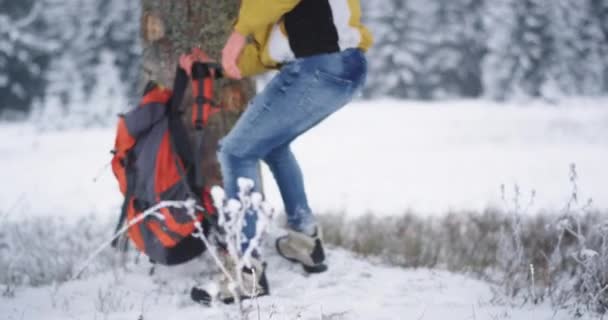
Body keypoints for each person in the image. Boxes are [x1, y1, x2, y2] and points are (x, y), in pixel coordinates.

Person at [189, 0, 372, 302]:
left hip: (318, 66)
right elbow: (268, 54)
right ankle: (305, 242)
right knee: (272, 146)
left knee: (236, 152)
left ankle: (246, 272)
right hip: (344, 68)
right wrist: (213, 68)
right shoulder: (288, 16)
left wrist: (237, 35)